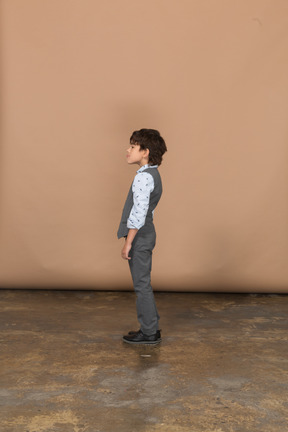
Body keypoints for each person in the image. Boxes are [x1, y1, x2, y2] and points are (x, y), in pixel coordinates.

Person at [117, 128, 167, 345]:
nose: (128, 150)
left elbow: (139, 213)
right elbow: (149, 209)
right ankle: (151, 327)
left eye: (133, 146)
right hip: (148, 231)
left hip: (141, 235)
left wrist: (128, 242)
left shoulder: (143, 178)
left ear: (145, 151)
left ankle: (148, 332)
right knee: (143, 283)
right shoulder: (152, 174)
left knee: (141, 284)